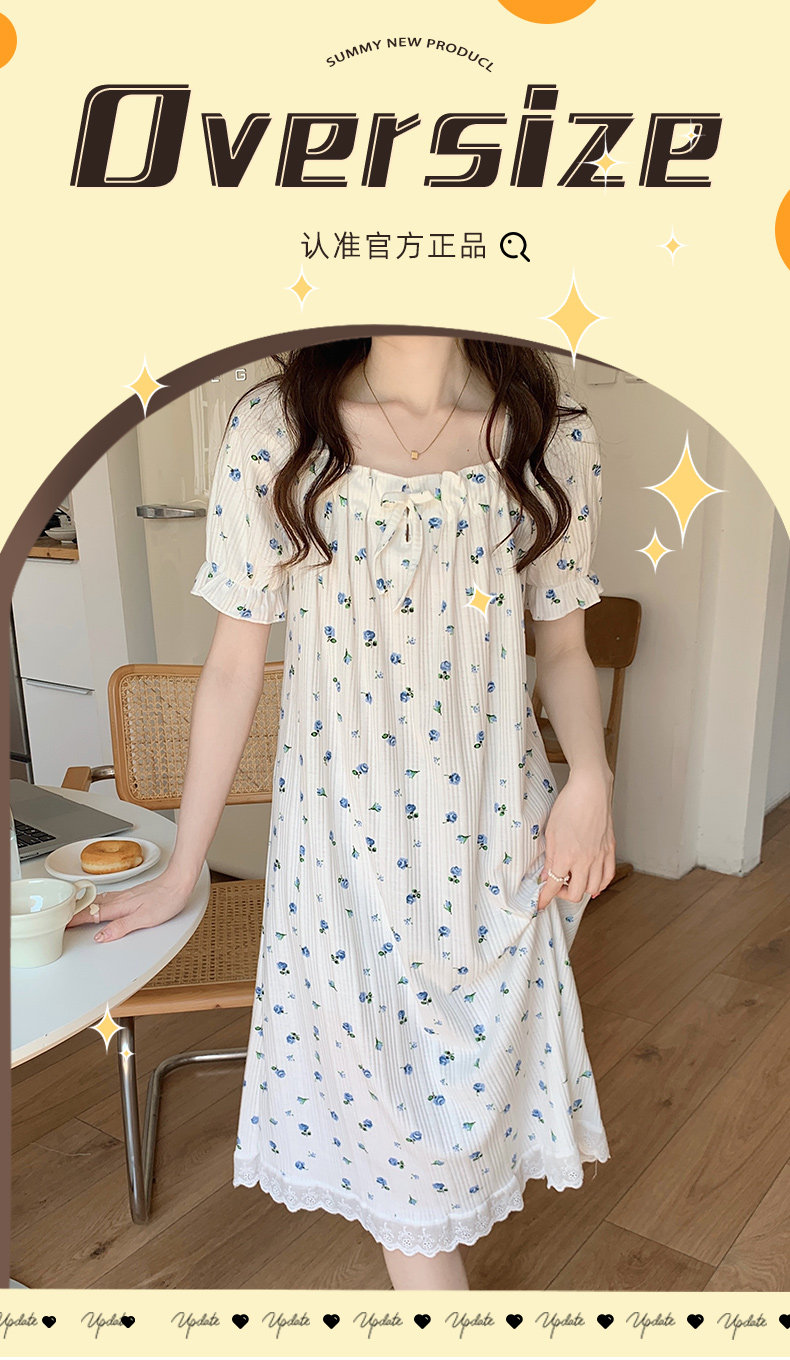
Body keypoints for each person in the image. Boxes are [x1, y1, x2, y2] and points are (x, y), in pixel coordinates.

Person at [68, 335, 616, 1291]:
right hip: (342, 857)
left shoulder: (551, 435)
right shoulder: (277, 429)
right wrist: (186, 865)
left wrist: (591, 784)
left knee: (462, 1124)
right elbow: (233, 666)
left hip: (495, 845)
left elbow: (563, 647)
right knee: (406, 1159)